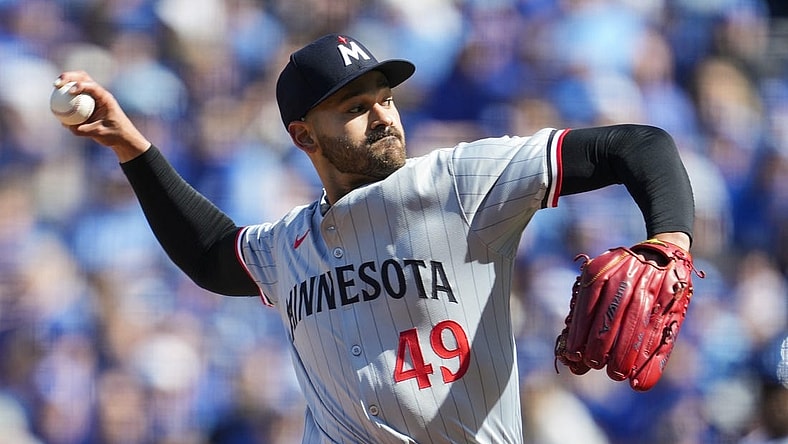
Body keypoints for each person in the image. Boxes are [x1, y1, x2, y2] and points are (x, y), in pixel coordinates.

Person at [57, 33, 695, 443]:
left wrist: (670, 241)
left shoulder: (461, 180)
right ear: (305, 136)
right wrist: (130, 147)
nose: (383, 115)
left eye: (385, 98)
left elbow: (636, 146)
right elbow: (210, 257)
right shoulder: (290, 243)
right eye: (356, 107)